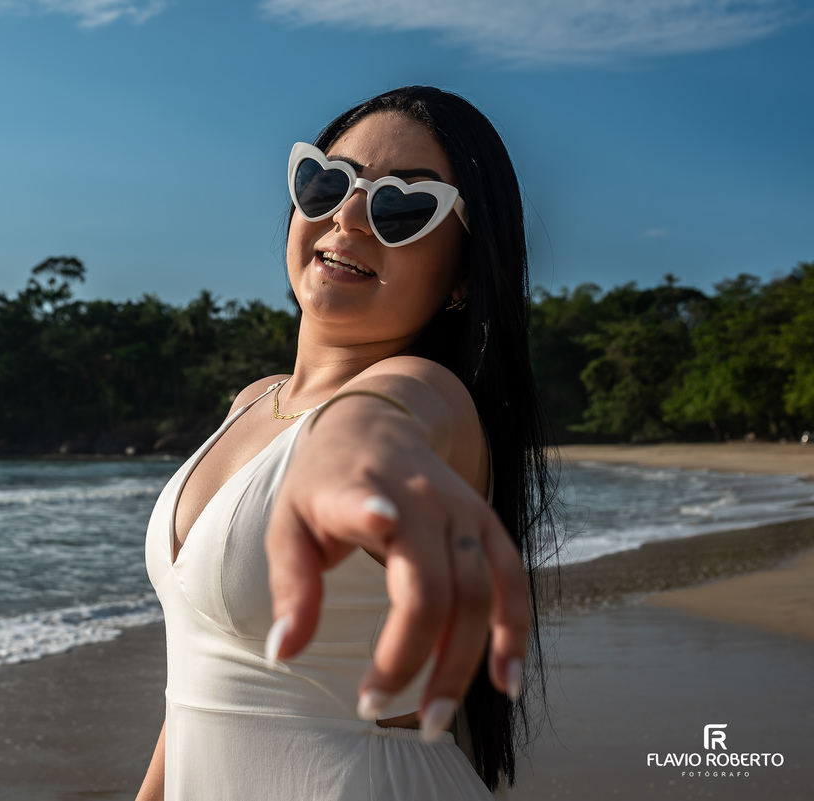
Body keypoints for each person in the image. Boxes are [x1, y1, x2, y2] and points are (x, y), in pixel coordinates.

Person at [137, 86, 558, 800]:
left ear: (462, 275)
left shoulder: (431, 395)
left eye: (401, 207)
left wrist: (350, 448)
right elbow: (194, 694)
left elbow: (388, 417)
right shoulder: (253, 404)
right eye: (327, 181)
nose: (349, 214)